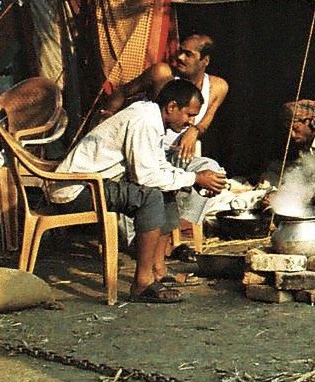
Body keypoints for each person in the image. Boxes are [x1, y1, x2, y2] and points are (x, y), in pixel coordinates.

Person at [53, 78, 227, 302]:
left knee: (165, 190)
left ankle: (158, 269)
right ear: (171, 107)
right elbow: (145, 176)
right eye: (189, 115)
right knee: (151, 195)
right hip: (77, 190)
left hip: (96, 184)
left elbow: (159, 166)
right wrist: (195, 178)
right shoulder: (143, 120)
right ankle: (142, 282)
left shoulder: (152, 119)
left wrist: (193, 180)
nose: (190, 122)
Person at [102, 34, 229, 161]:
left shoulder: (217, 87)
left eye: (188, 54)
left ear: (205, 60)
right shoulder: (162, 73)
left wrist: (194, 131)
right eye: (180, 51)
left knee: (212, 170)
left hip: (176, 156)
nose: (180, 57)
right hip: (144, 151)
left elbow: (204, 123)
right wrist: (106, 117)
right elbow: (123, 91)